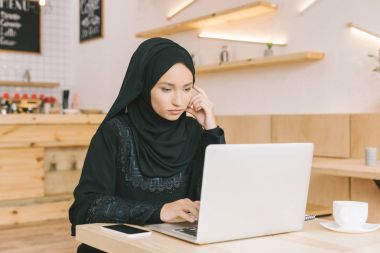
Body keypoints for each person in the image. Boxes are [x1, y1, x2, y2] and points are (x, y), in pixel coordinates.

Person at [69, 37, 225, 253]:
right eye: (166, 89)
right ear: (144, 86)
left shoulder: (193, 131)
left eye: (187, 88)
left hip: (175, 246)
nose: (179, 101)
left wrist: (211, 129)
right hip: (120, 247)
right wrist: (160, 211)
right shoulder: (115, 132)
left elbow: (216, 200)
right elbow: (86, 208)